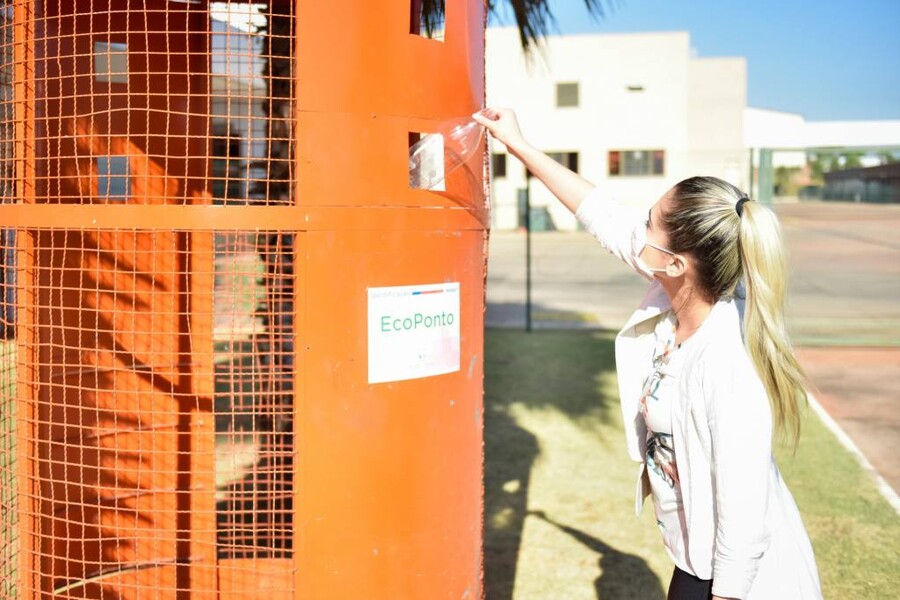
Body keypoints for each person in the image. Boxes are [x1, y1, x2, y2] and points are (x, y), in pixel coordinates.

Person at [472, 108, 822, 600]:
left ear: (676, 263)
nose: (637, 229)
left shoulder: (726, 364)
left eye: (649, 224)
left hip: (734, 579)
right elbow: (601, 213)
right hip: (694, 556)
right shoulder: (679, 289)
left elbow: (744, 519)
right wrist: (520, 146)